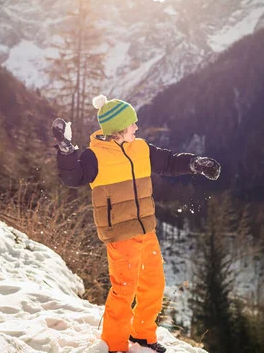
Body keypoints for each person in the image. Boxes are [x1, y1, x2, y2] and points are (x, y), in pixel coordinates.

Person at [52, 95, 221, 353]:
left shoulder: (141, 149)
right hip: (119, 233)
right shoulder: (94, 157)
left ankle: (142, 334)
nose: (137, 128)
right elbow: (72, 176)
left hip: (146, 229)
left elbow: (169, 161)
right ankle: (115, 344)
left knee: (154, 285)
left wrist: (194, 163)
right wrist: (66, 150)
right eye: (133, 124)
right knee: (124, 290)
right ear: (119, 129)